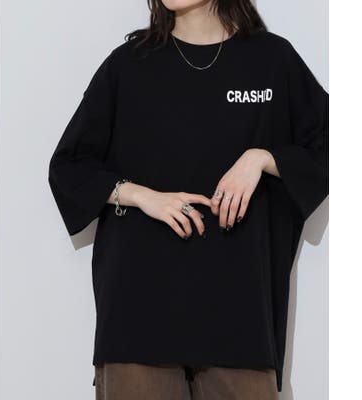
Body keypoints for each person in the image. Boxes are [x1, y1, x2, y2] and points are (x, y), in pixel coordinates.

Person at [48, 0, 329, 398]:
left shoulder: (272, 61)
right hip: (137, 317)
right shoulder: (128, 65)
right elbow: (69, 165)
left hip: (241, 319)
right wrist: (141, 196)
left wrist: (263, 158)